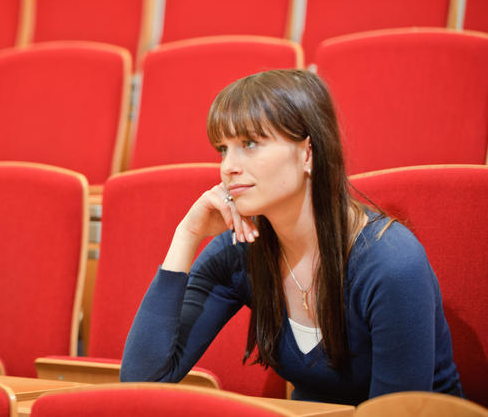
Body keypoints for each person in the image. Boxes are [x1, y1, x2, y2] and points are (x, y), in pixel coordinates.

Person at [119, 69, 463, 405]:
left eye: (250, 143)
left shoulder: (391, 263)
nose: (228, 167)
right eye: (223, 149)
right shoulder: (241, 249)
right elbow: (142, 382)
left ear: (308, 153)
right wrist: (186, 235)